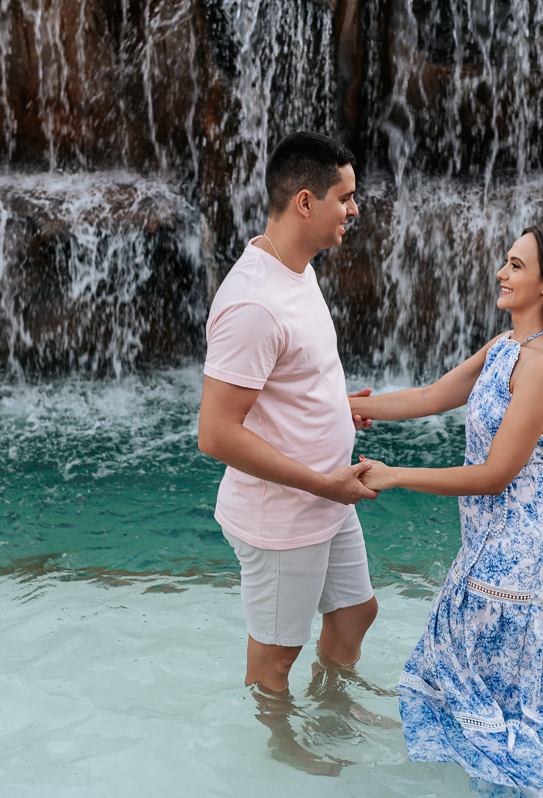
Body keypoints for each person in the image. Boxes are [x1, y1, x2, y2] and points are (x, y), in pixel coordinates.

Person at [349, 225, 543, 796]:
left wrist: (396, 475)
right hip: (489, 548)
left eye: (516, 266)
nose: (502, 272)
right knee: (470, 688)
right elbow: (429, 396)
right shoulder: (506, 347)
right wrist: (339, 405)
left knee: (490, 708)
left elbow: (495, 476)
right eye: (506, 261)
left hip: (518, 558)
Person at [197, 131, 381, 774]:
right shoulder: (251, 302)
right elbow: (215, 434)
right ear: (305, 202)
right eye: (345, 198)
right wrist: (321, 482)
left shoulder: (293, 271)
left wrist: (334, 403)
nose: (353, 209)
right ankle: (277, 748)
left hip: (325, 499)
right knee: (275, 657)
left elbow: (290, 375)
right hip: (285, 517)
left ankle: (331, 706)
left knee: (357, 613)